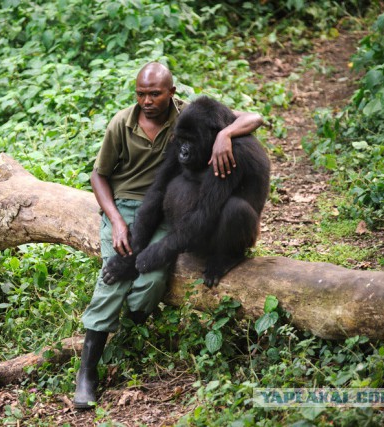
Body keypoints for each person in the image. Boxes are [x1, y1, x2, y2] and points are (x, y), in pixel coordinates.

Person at [73, 62, 263, 410]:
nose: (185, 149)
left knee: (227, 216)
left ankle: (227, 258)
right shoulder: (168, 127)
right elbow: (157, 193)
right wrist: (128, 242)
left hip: (226, 228)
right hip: (134, 210)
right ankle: (87, 370)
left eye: (155, 93)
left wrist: (145, 259)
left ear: (170, 94)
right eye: (141, 93)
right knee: (117, 275)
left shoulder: (224, 147)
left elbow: (205, 217)